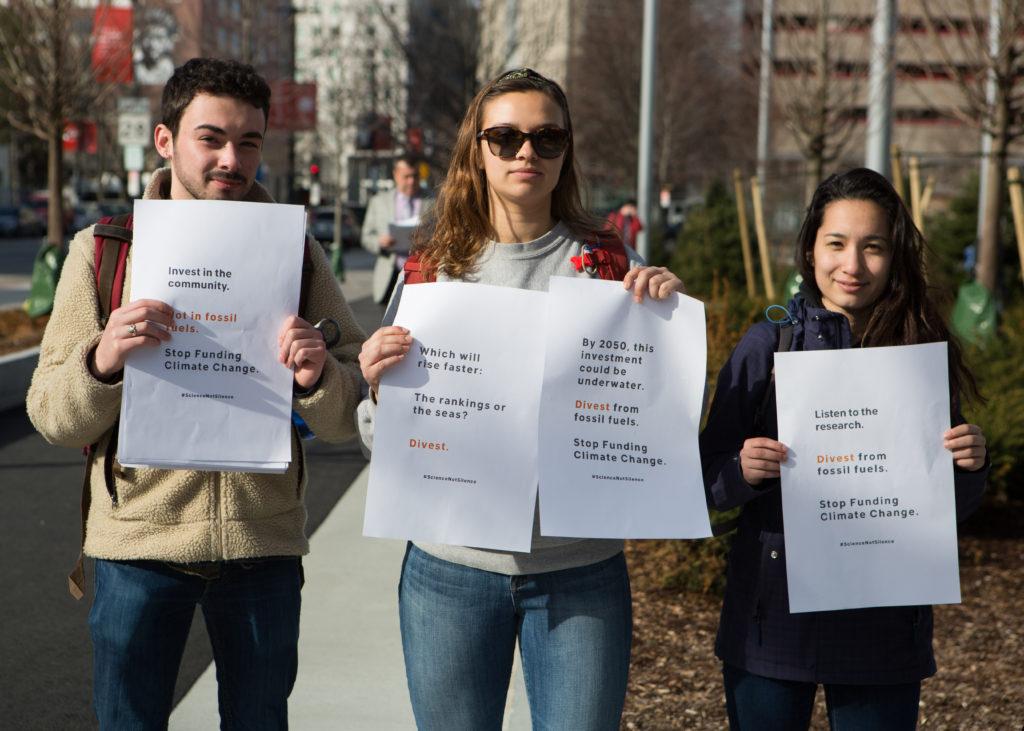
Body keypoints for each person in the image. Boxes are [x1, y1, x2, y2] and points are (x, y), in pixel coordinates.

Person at [26, 58, 366, 729]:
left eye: (249, 142)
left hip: (262, 546)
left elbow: (348, 417)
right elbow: (50, 414)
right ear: (164, 140)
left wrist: (319, 375)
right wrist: (104, 359)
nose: (231, 160)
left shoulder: (296, 252)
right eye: (210, 138)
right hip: (137, 547)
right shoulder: (104, 250)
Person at [356, 68, 683, 730]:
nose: (526, 153)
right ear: (477, 150)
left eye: (546, 137)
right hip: (450, 568)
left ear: (567, 152)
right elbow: (376, 434)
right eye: (505, 137)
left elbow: (663, 420)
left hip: (580, 569)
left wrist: (669, 331)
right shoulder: (433, 265)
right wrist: (376, 389)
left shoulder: (612, 263)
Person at [700, 168, 989, 730]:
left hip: (881, 635)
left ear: (895, 254)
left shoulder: (919, 351)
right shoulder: (769, 345)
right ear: (810, 249)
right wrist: (741, 470)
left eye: (873, 247)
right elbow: (701, 479)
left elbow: (947, 507)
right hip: (772, 630)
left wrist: (970, 462)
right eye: (836, 244)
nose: (852, 266)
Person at [361, 156, 431, 305]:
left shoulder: (434, 200)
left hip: (423, 275)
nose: (411, 181)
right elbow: (366, 236)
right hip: (389, 276)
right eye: (407, 176)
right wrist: (380, 241)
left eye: (415, 176)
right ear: (395, 175)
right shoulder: (379, 201)